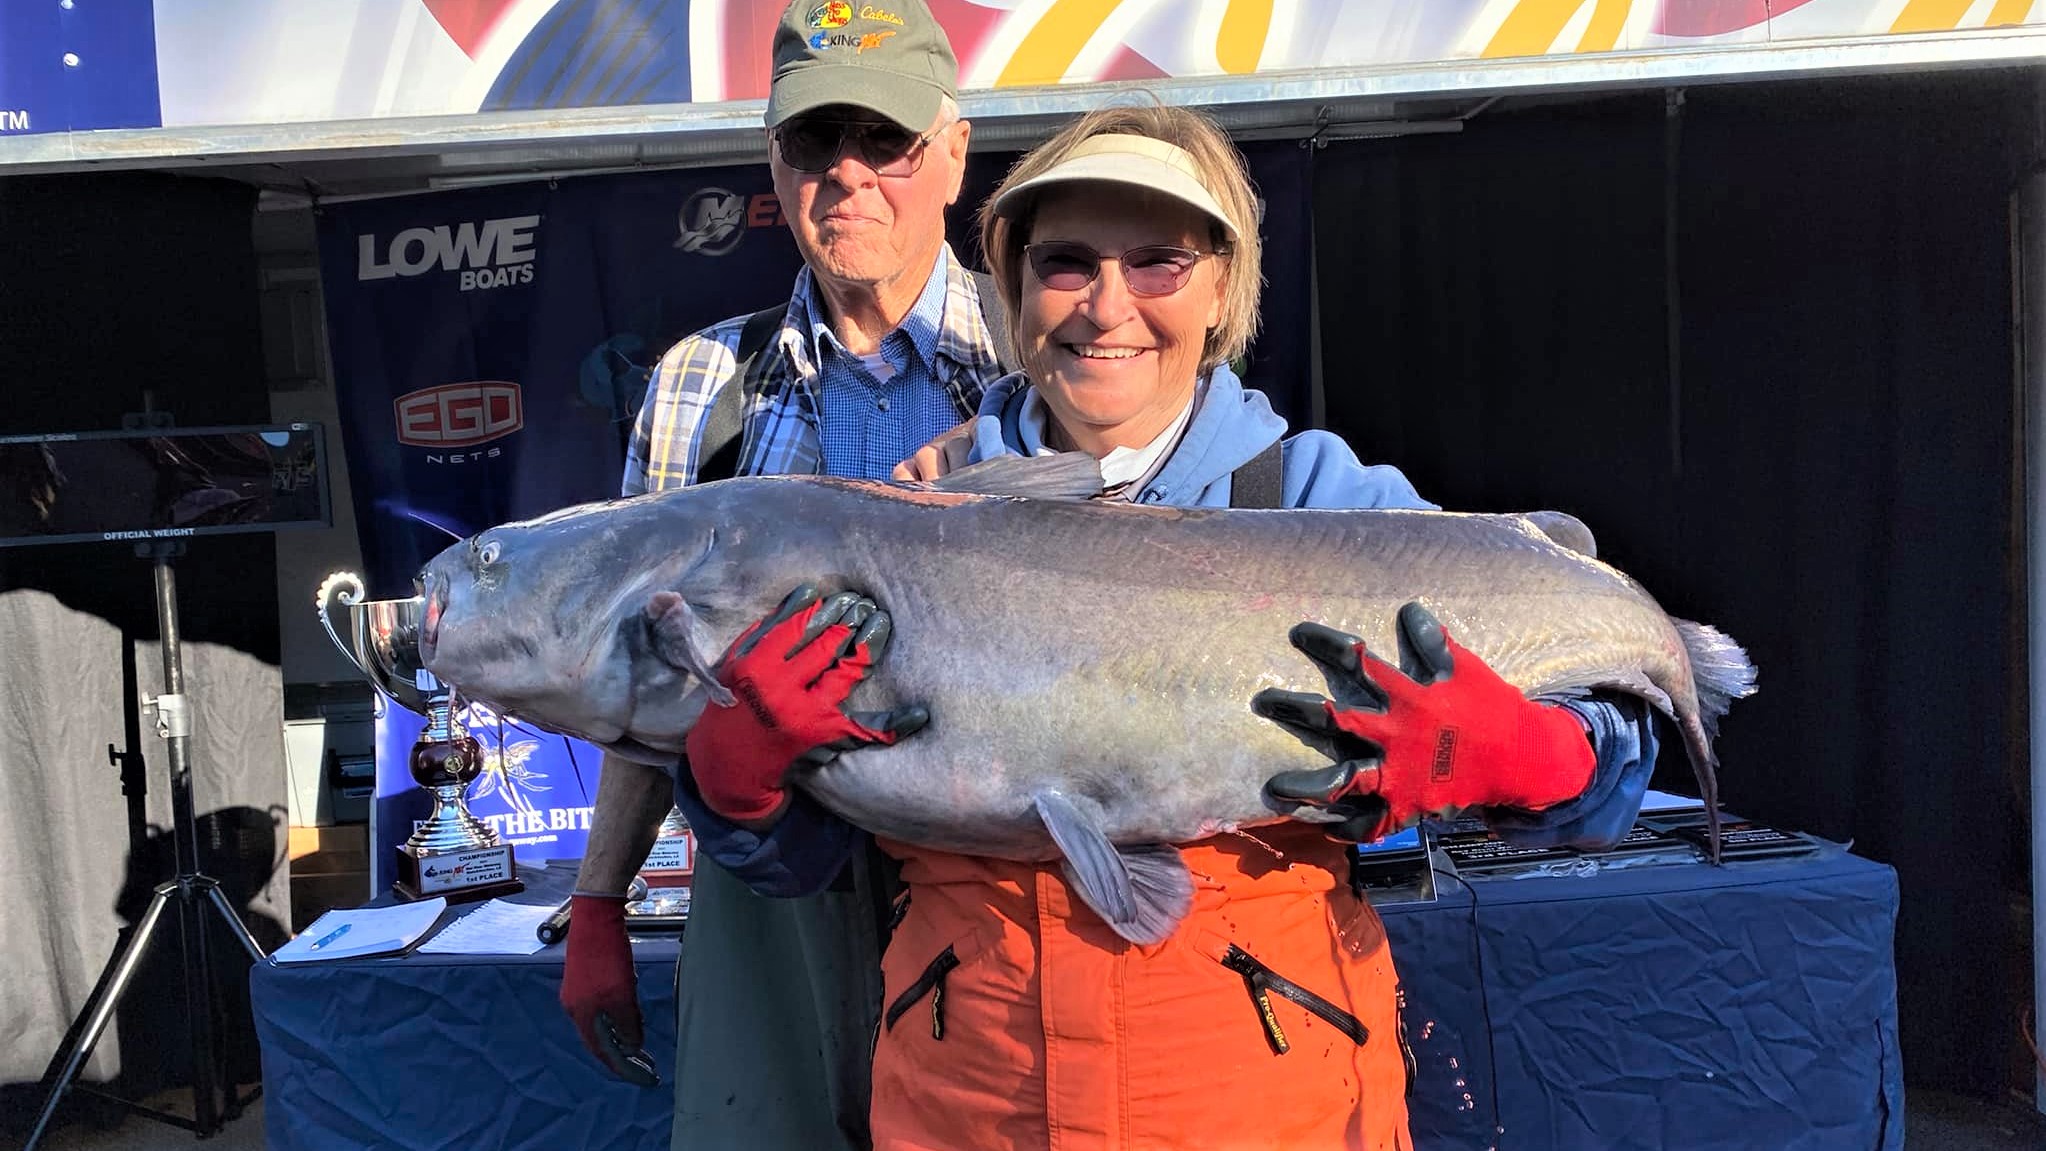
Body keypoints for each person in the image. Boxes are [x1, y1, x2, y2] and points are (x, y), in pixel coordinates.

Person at [695, 104, 1660, 1148]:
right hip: (969, 1104)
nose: (1109, 306)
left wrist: (1539, 754)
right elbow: (812, 866)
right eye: (1066, 262)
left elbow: (1610, 766)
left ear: (1220, 288)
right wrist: (737, 792)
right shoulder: (914, 516)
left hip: (1268, 1101)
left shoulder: (1323, 499)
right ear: (1015, 286)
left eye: (1158, 261)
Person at [555, 2, 1012, 1148]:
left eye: (886, 139)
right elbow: (638, 676)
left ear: (952, 154)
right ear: (776, 162)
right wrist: (602, 895)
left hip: (997, 872)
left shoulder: (1042, 351)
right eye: (817, 143)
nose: (849, 174)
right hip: (765, 890)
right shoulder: (703, 384)